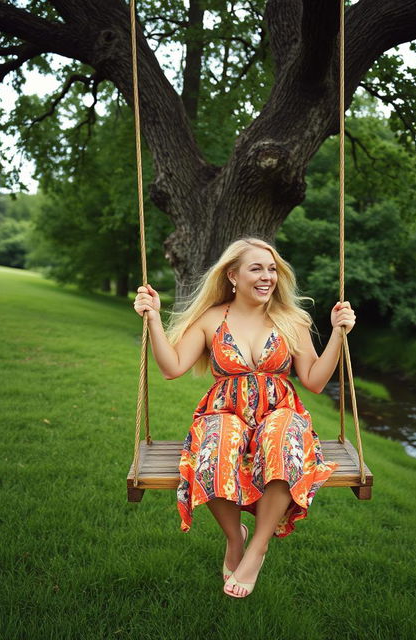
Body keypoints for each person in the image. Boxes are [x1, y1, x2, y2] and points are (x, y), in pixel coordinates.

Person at [132, 237, 356, 598]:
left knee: (284, 438)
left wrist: (337, 333)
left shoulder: (291, 320)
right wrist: (154, 319)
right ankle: (236, 538)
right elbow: (171, 368)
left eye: (272, 269)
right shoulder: (211, 319)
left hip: (280, 412)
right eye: (257, 268)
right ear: (233, 275)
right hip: (223, 412)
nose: (267, 276)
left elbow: (314, 381)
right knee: (216, 443)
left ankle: (259, 547)